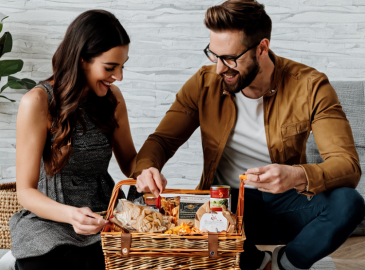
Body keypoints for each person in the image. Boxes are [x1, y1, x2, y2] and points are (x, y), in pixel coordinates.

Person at [131, 1, 365, 270]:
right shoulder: (203, 83)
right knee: (175, 215)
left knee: (349, 203)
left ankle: (285, 263)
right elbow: (162, 140)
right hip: (224, 206)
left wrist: (297, 175)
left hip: (288, 203)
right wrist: (148, 168)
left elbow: (347, 165)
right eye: (213, 55)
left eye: (230, 59)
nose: (219, 68)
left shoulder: (311, 86)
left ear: (262, 48)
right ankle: (253, 261)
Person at [9, 10, 136, 270]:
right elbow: (26, 192)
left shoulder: (113, 98)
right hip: (47, 223)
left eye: (123, 66)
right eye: (110, 67)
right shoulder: (37, 102)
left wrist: (149, 171)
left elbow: (131, 163)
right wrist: (71, 214)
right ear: (81, 60)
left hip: (105, 218)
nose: (119, 77)